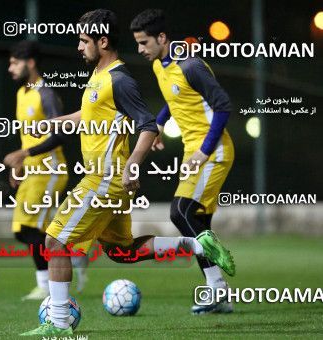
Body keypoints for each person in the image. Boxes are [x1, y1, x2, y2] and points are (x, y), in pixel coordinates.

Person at [21, 9, 235, 336]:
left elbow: (147, 126)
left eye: (83, 41)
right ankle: (198, 245)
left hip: (104, 180)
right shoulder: (99, 76)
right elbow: (90, 115)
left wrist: (133, 163)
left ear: (102, 41)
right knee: (123, 252)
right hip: (106, 181)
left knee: (54, 240)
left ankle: (58, 323)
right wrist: (53, 123)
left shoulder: (119, 79)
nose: (79, 47)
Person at [130, 9, 235, 314]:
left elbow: (223, 106)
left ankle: (218, 282)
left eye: (144, 42)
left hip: (212, 151)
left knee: (180, 212)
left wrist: (203, 151)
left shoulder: (191, 66)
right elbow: (175, 99)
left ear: (162, 38)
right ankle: (218, 294)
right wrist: (160, 123)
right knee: (198, 222)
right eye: (137, 43)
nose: (140, 49)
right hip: (194, 152)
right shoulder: (160, 66)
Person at [4, 40, 87, 300]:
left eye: (15, 63)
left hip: (49, 170)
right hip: (31, 171)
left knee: (32, 230)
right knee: (23, 231)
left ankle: (45, 286)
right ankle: (74, 256)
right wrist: (20, 164)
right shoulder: (21, 94)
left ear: (30, 63)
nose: (10, 68)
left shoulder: (46, 93)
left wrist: (25, 154)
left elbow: (62, 134)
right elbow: (27, 139)